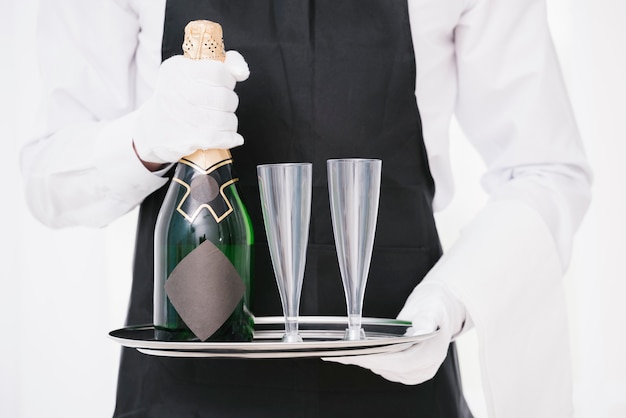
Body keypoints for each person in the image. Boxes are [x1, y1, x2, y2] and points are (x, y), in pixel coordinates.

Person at [21, 0, 591, 417]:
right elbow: (50, 184)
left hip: (401, 375)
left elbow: (545, 170)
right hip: (185, 388)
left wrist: (454, 300)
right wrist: (145, 139)